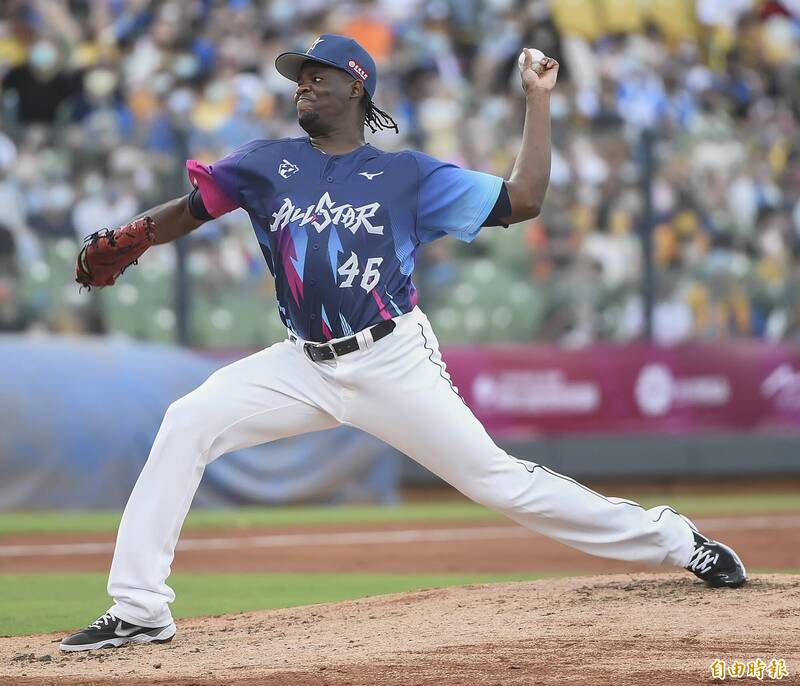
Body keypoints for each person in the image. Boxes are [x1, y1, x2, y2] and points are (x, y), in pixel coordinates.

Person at [60, 35, 746, 652]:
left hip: (391, 358)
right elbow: (189, 211)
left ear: (357, 86)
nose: (302, 84)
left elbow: (524, 199)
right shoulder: (265, 164)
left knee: (497, 481)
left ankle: (672, 539)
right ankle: (140, 608)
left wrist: (537, 101)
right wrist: (134, 237)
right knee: (187, 421)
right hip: (302, 362)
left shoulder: (408, 175)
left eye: (318, 74)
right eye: (298, 77)